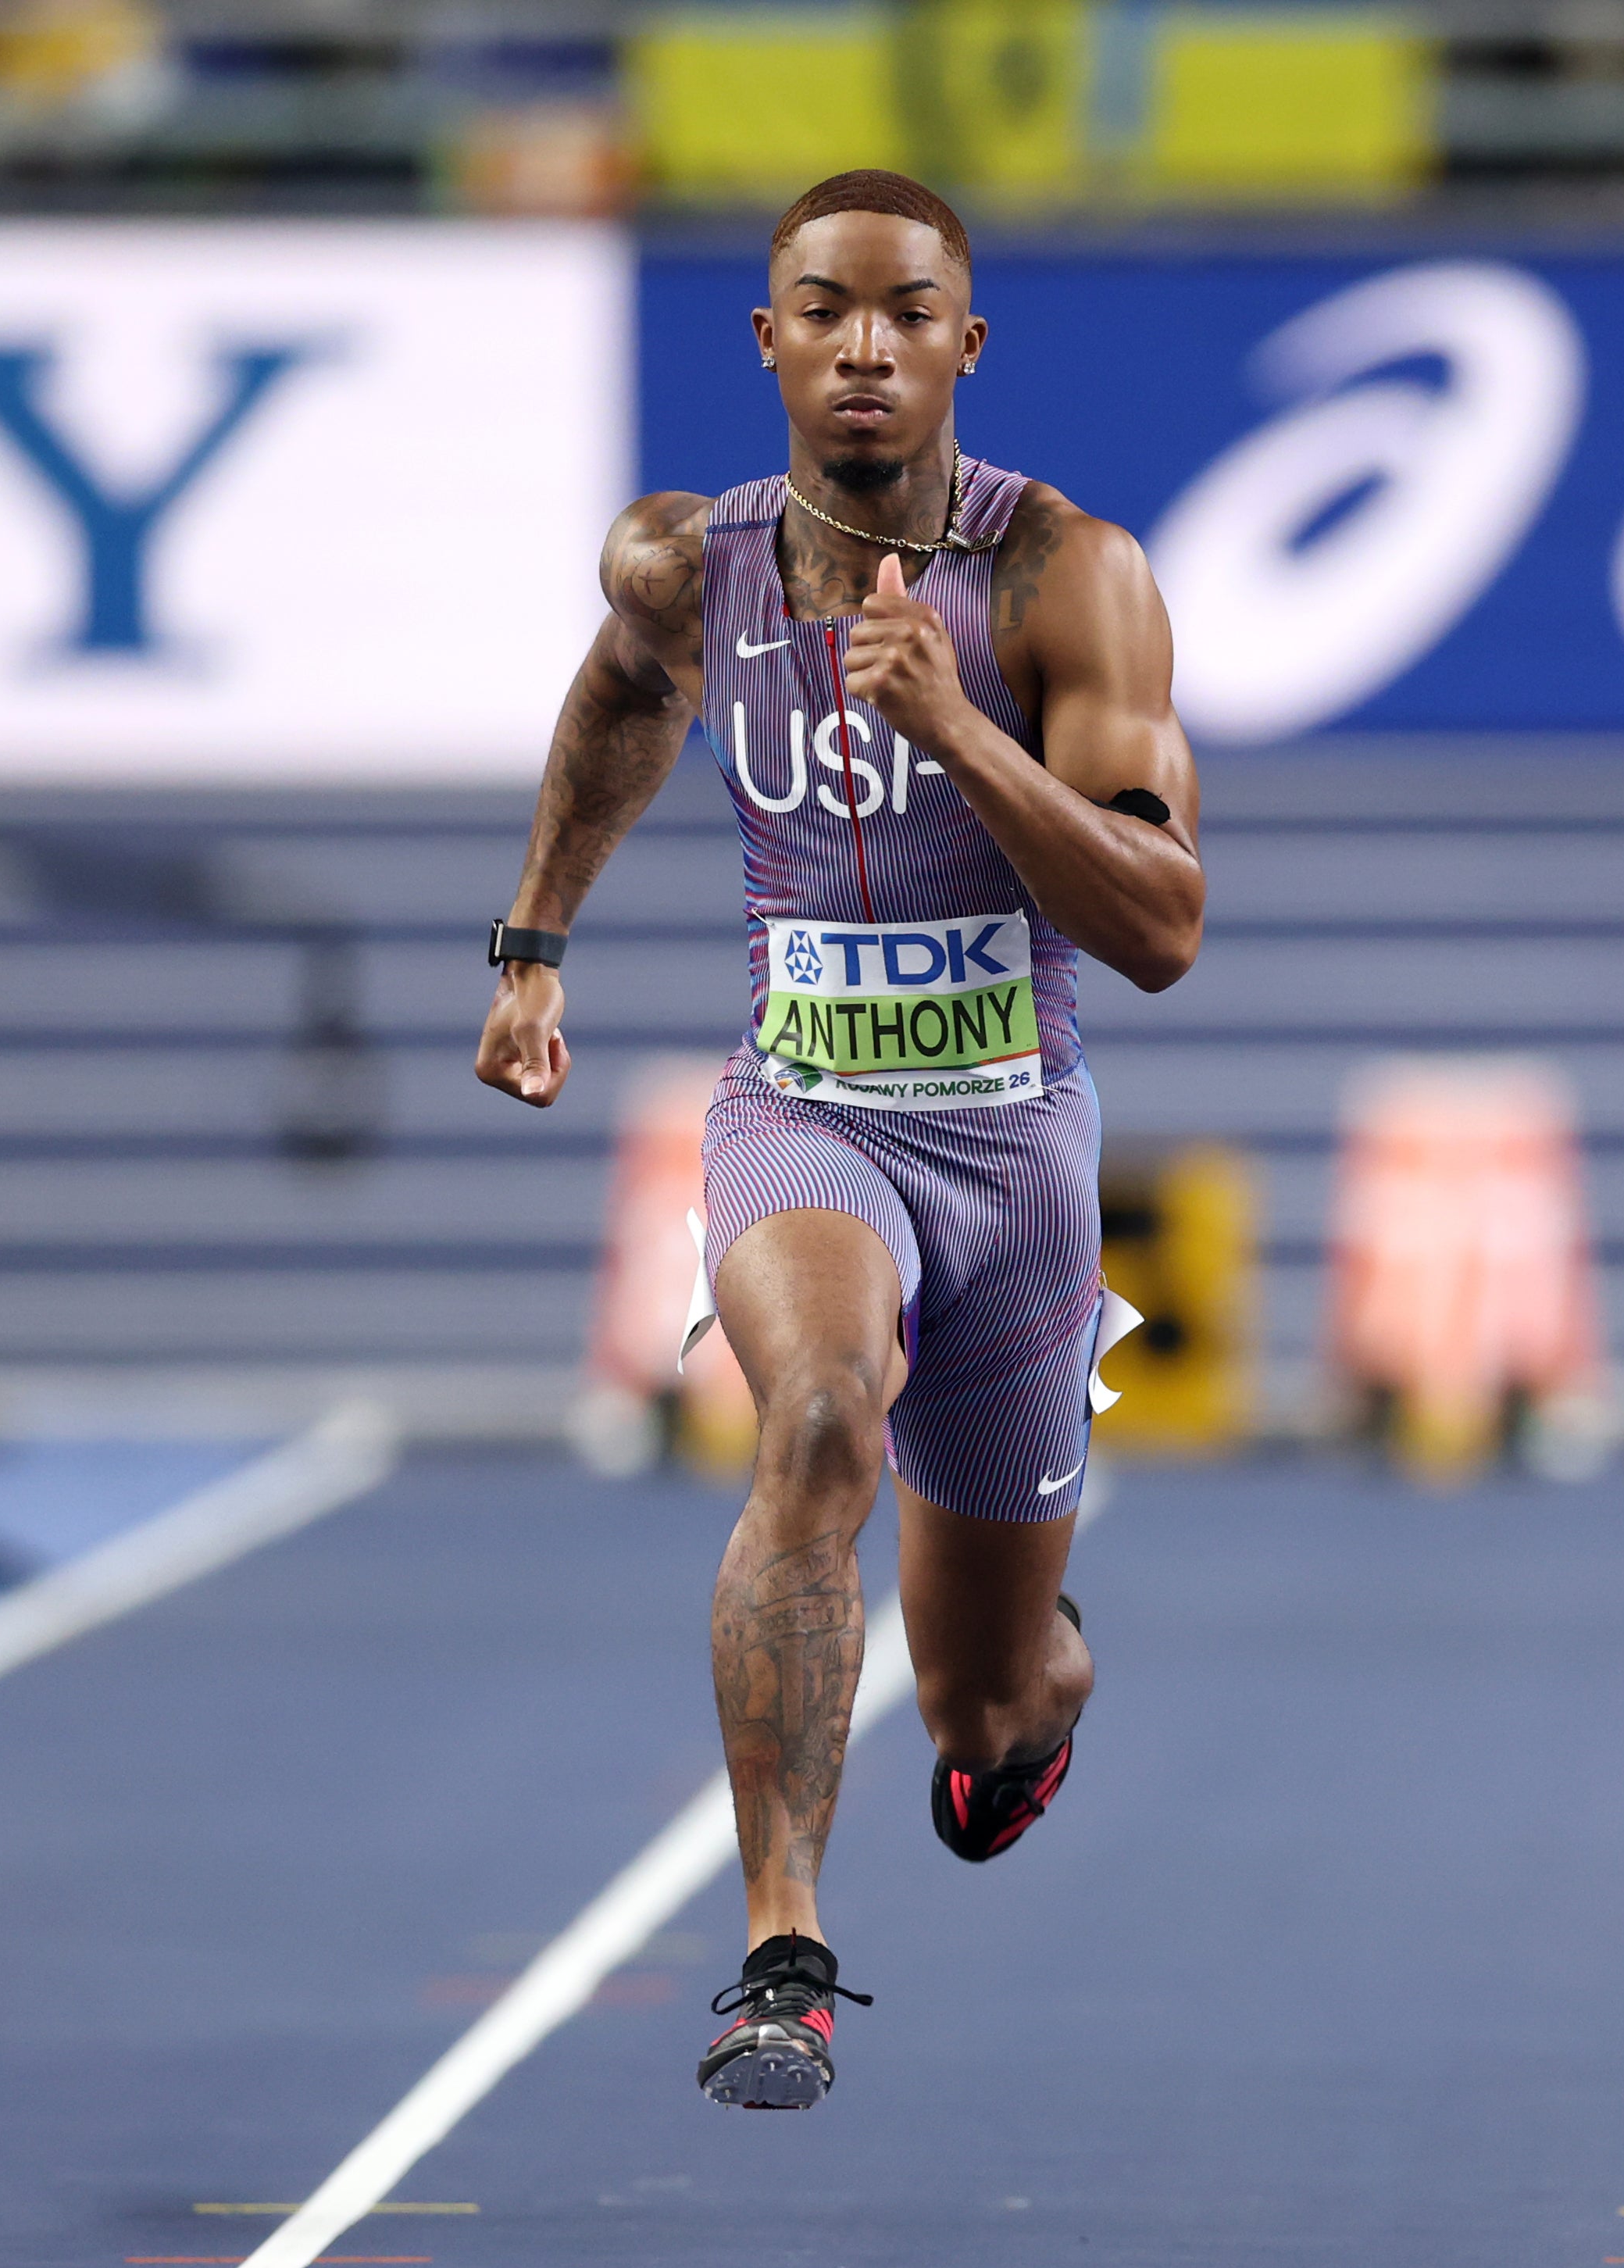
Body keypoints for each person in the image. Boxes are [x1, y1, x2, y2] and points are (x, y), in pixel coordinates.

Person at [473, 169, 1204, 2111]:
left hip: (1017, 1155)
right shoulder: (681, 563)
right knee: (811, 1422)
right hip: (801, 1114)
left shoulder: (1068, 579)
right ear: (769, 342)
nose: (864, 346)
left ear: (967, 342)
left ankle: (1036, 1676)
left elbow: (1161, 930)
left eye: (906, 312)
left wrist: (964, 734)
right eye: (825, 310)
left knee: (979, 1693)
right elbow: (623, 700)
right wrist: (533, 944)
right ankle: (780, 1953)